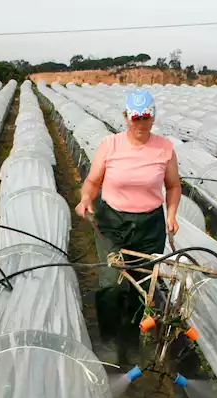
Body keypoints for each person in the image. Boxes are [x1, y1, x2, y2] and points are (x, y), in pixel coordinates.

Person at [75, 88, 182, 360]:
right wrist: (86, 199)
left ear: (153, 117)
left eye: (145, 117)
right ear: (126, 117)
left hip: (149, 225)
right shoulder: (110, 145)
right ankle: (109, 340)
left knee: (141, 284)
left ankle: (130, 340)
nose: (140, 123)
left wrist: (171, 214)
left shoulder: (164, 148)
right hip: (113, 222)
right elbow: (92, 182)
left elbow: (173, 186)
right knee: (112, 282)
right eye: (135, 118)